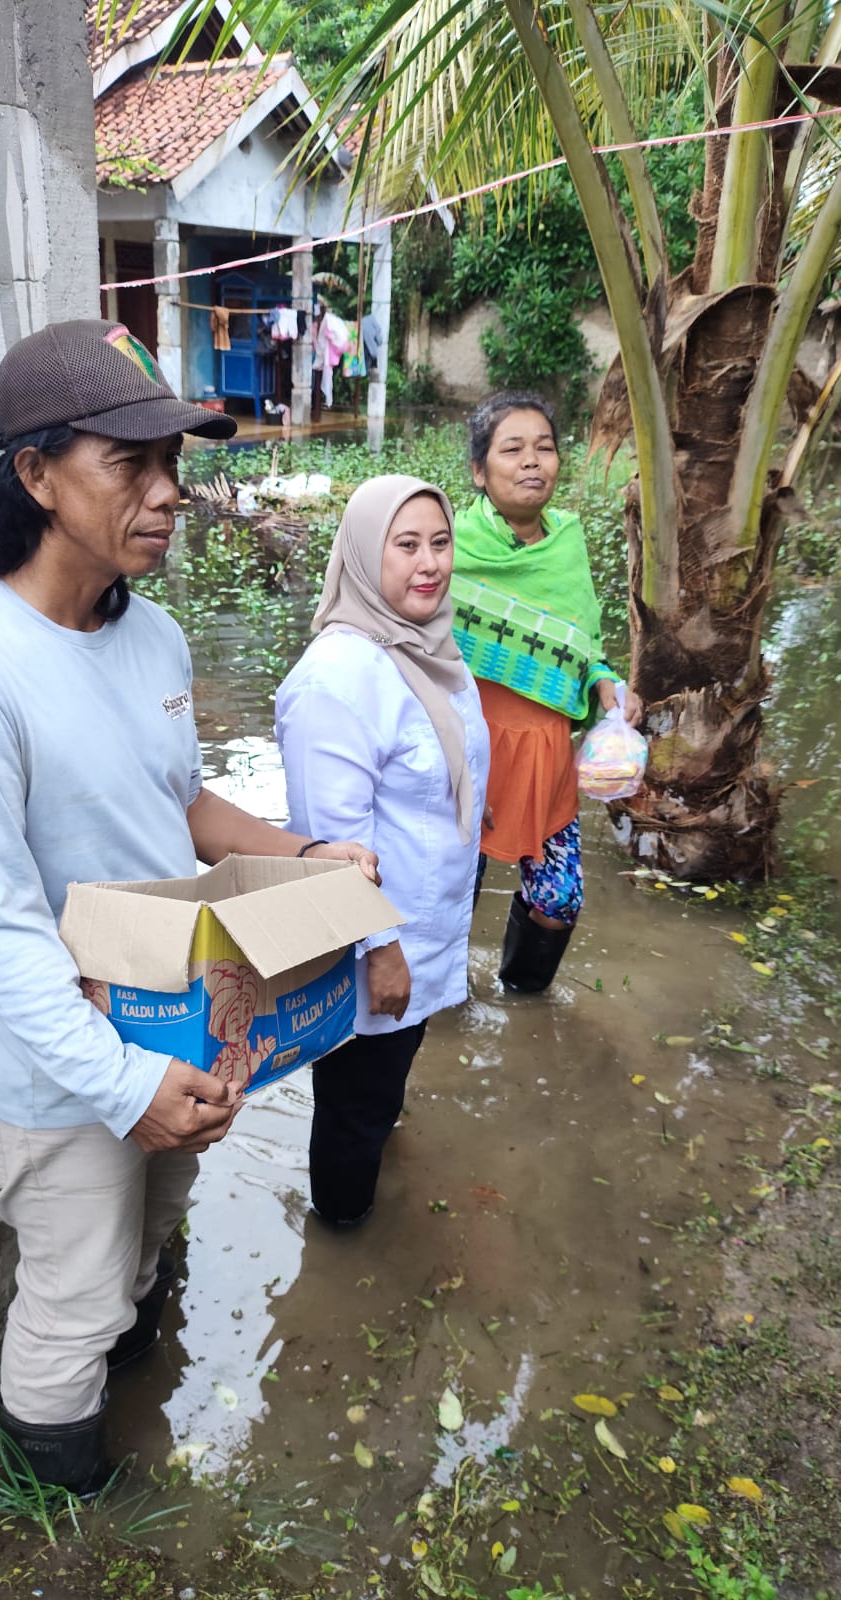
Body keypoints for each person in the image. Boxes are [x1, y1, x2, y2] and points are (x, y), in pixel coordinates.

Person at [0, 320, 379, 1496]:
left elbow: (181, 801)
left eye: (173, 464)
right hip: (61, 1072)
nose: (169, 495)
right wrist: (120, 1084)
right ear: (37, 474)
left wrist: (308, 855)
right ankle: (63, 1507)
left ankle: (138, 1376)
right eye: (131, 465)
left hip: (178, 1029)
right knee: (74, 1297)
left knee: (152, 1241)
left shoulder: (149, 633)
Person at [275, 476, 490, 1226]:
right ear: (366, 556)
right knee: (353, 1105)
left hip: (426, 923)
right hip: (374, 943)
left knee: (381, 1085)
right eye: (406, 546)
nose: (428, 563)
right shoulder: (336, 679)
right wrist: (382, 951)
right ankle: (341, 1233)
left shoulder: (429, 648)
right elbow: (333, 842)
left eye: (440, 543)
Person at [452, 392, 643, 994]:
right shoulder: (448, 546)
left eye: (545, 448)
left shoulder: (568, 546)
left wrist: (608, 685)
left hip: (546, 754)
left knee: (558, 901)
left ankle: (523, 997)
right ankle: (439, 1000)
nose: (532, 461)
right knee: (450, 893)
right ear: (480, 471)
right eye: (512, 449)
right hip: (465, 755)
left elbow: (583, 649)